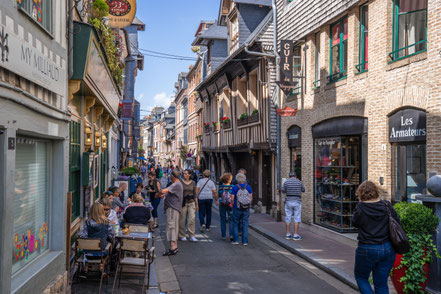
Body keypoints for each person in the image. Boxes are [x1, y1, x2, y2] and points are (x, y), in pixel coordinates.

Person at [352, 181, 399, 294]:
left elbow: (354, 223)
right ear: (376, 191)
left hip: (367, 248)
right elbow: (397, 222)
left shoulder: (361, 207)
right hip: (387, 248)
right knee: (381, 283)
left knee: (361, 277)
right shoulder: (387, 205)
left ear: (361, 193)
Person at [160, 169, 183, 256]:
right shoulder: (177, 184)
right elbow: (170, 193)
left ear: (172, 176)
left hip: (173, 209)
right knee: (174, 227)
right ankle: (175, 247)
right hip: (174, 208)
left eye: (170, 175)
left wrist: (158, 191)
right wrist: (165, 196)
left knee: (171, 227)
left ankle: (172, 248)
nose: (169, 176)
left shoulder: (176, 184)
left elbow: (164, 190)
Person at [282, 171, 305, 240]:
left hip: (288, 201)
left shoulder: (286, 182)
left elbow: (283, 191)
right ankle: (295, 235)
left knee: (288, 217)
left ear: (289, 176)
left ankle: (288, 234)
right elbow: (303, 190)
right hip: (297, 201)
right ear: (295, 176)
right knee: (297, 218)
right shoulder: (299, 182)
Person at [231, 173, 253, 246]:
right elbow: (251, 198)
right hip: (246, 208)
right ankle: (245, 242)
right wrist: (248, 205)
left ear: (237, 179)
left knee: (236, 223)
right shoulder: (248, 187)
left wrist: (232, 204)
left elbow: (232, 198)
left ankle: (236, 240)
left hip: (237, 207)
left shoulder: (235, 187)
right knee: (245, 224)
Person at [179, 169, 198, 242]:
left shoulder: (193, 183)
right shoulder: (180, 183)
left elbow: (195, 194)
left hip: (191, 202)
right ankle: (182, 235)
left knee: (192, 219)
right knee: (182, 220)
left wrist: (197, 204)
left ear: (190, 175)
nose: (184, 175)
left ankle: (192, 235)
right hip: (183, 202)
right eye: (184, 173)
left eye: (186, 174)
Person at [218, 173, 234, 241]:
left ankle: (223, 235)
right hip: (230, 205)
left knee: (223, 220)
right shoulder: (232, 187)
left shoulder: (220, 187)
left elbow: (219, 195)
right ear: (230, 180)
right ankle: (231, 235)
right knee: (231, 220)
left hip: (222, 204)